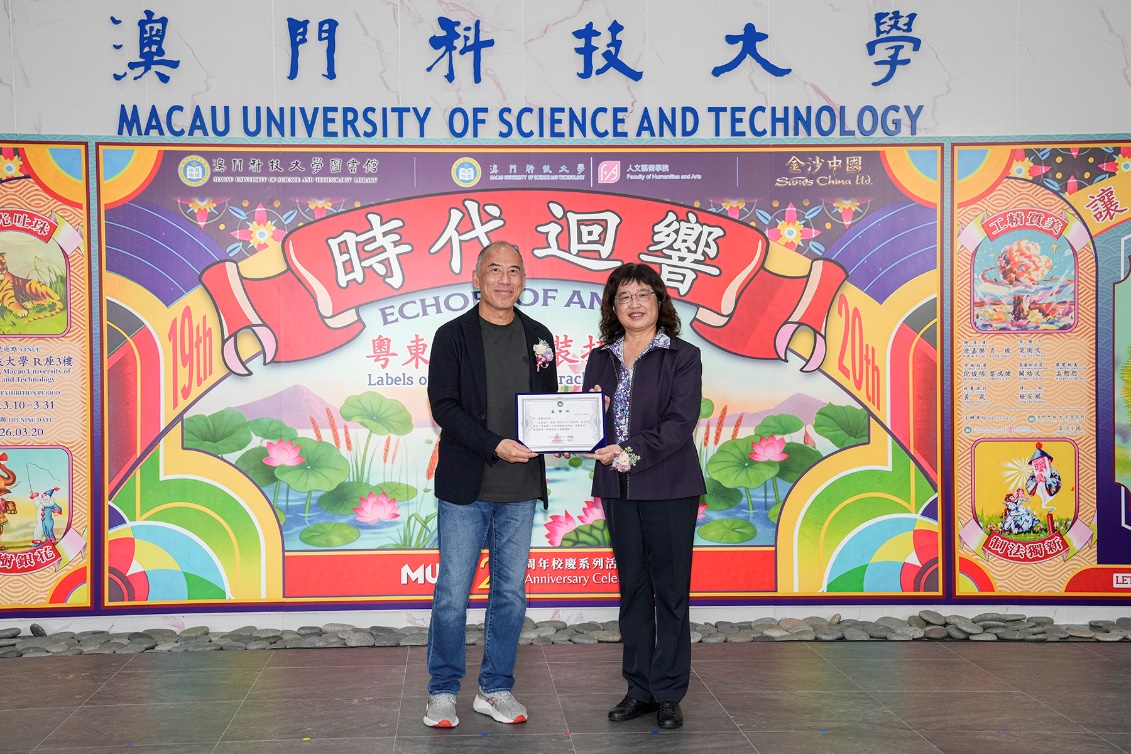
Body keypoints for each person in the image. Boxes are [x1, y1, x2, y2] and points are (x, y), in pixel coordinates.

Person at [424, 241, 558, 728]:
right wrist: (494, 444)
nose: (505, 279)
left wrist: (566, 432)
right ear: (477, 278)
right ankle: (442, 691)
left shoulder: (539, 336)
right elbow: (444, 406)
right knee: (452, 594)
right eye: (495, 270)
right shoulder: (452, 335)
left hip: (520, 488)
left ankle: (495, 689)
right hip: (467, 486)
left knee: (510, 595)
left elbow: (548, 404)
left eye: (514, 271)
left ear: (523, 280)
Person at [582, 263, 705, 730]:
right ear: (613, 307)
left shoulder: (682, 355)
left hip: (669, 486)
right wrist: (583, 433)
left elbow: (679, 423)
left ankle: (669, 692)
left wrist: (628, 452)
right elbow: (588, 418)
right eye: (624, 296)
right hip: (617, 488)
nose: (634, 304)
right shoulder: (601, 358)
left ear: (659, 302)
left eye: (642, 295)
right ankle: (639, 689)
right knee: (632, 589)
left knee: (670, 592)